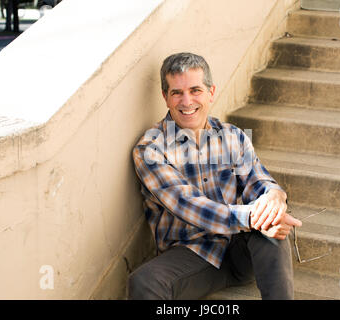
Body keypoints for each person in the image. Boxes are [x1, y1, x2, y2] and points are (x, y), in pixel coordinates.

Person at [128, 52, 302, 300]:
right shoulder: (151, 149)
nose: (186, 101)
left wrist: (275, 195)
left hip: (240, 250)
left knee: (270, 220)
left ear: (211, 92)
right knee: (144, 281)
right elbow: (189, 205)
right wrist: (251, 216)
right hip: (192, 254)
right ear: (165, 97)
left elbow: (258, 181)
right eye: (177, 92)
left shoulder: (233, 136)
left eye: (195, 90)